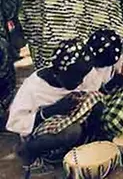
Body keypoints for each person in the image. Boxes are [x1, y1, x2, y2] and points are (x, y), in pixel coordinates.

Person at [7, 40, 104, 174]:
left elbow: (92, 91)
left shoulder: (76, 72)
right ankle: (28, 151)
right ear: (58, 73)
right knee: (72, 131)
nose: (81, 82)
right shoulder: (33, 87)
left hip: (68, 117)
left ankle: (84, 144)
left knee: (98, 102)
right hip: (41, 126)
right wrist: (53, 110)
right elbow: (18, 124)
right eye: (77, 79)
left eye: (82, 77)